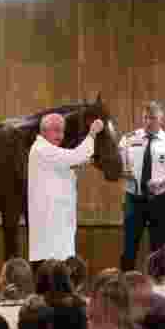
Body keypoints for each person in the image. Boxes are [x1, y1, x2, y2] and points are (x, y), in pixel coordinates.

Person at [118, 101, 165, 271]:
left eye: (153, 118)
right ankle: (125, 287)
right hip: (134, 199)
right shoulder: (128, 140)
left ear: (161, 119)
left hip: (161, 200)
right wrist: (126, 175)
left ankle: (157, 287)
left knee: (158, 250)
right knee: (129, 247)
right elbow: (116, 169)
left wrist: (162, 181)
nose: (148, 122)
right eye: (145, 118)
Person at [27, 112, 105, 267]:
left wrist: (77, 161)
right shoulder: (42, 149)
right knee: (51, 270)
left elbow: (70, 162)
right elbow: (78, 156)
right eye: (56, 130)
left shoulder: (48, 150)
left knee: (59, 265)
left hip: (58, 221)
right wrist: (92, 133)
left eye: (62, 130)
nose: (60, 135)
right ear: (43, 131)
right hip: (50, 223)